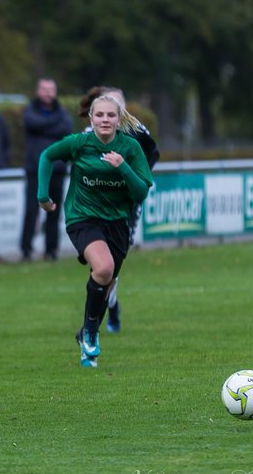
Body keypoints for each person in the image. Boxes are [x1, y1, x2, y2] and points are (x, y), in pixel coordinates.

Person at [37, 92, 153, 368]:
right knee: (103, 269)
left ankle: (86, 333)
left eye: (110, 115)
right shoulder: (80, 143)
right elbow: (46, 156)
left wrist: (122, 167)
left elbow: (140, 193)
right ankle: (91, 333)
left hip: (117, 223)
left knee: (107, 279)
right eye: (99, 114)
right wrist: (43, 194)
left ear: (118, 118)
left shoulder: (130, 148)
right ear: (90, 118)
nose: (104, 119)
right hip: (82, 217)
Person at [83, 86, 160, 332]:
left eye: (117, 105)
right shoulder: (88, 134)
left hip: (126, 207)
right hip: (94, 207)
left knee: (112, 268)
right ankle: (99, 317)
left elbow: (153, 154)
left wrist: (134, 176)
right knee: (100, 267)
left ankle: (109, 306)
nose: (109, 115)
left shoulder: (137, 130)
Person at [22, 78, 73, 260]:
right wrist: (53, 125)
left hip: (57, 169)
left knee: (54, 210)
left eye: (51, 89)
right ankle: (26, 249)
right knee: (31, 209)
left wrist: (45, 127)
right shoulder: (31, 110)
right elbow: (33, 124)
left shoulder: (62, 112)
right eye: (44, 89)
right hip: (35, 169)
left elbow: (67, 128)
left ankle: (51, 250)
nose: (48, 93)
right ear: (38, 91)